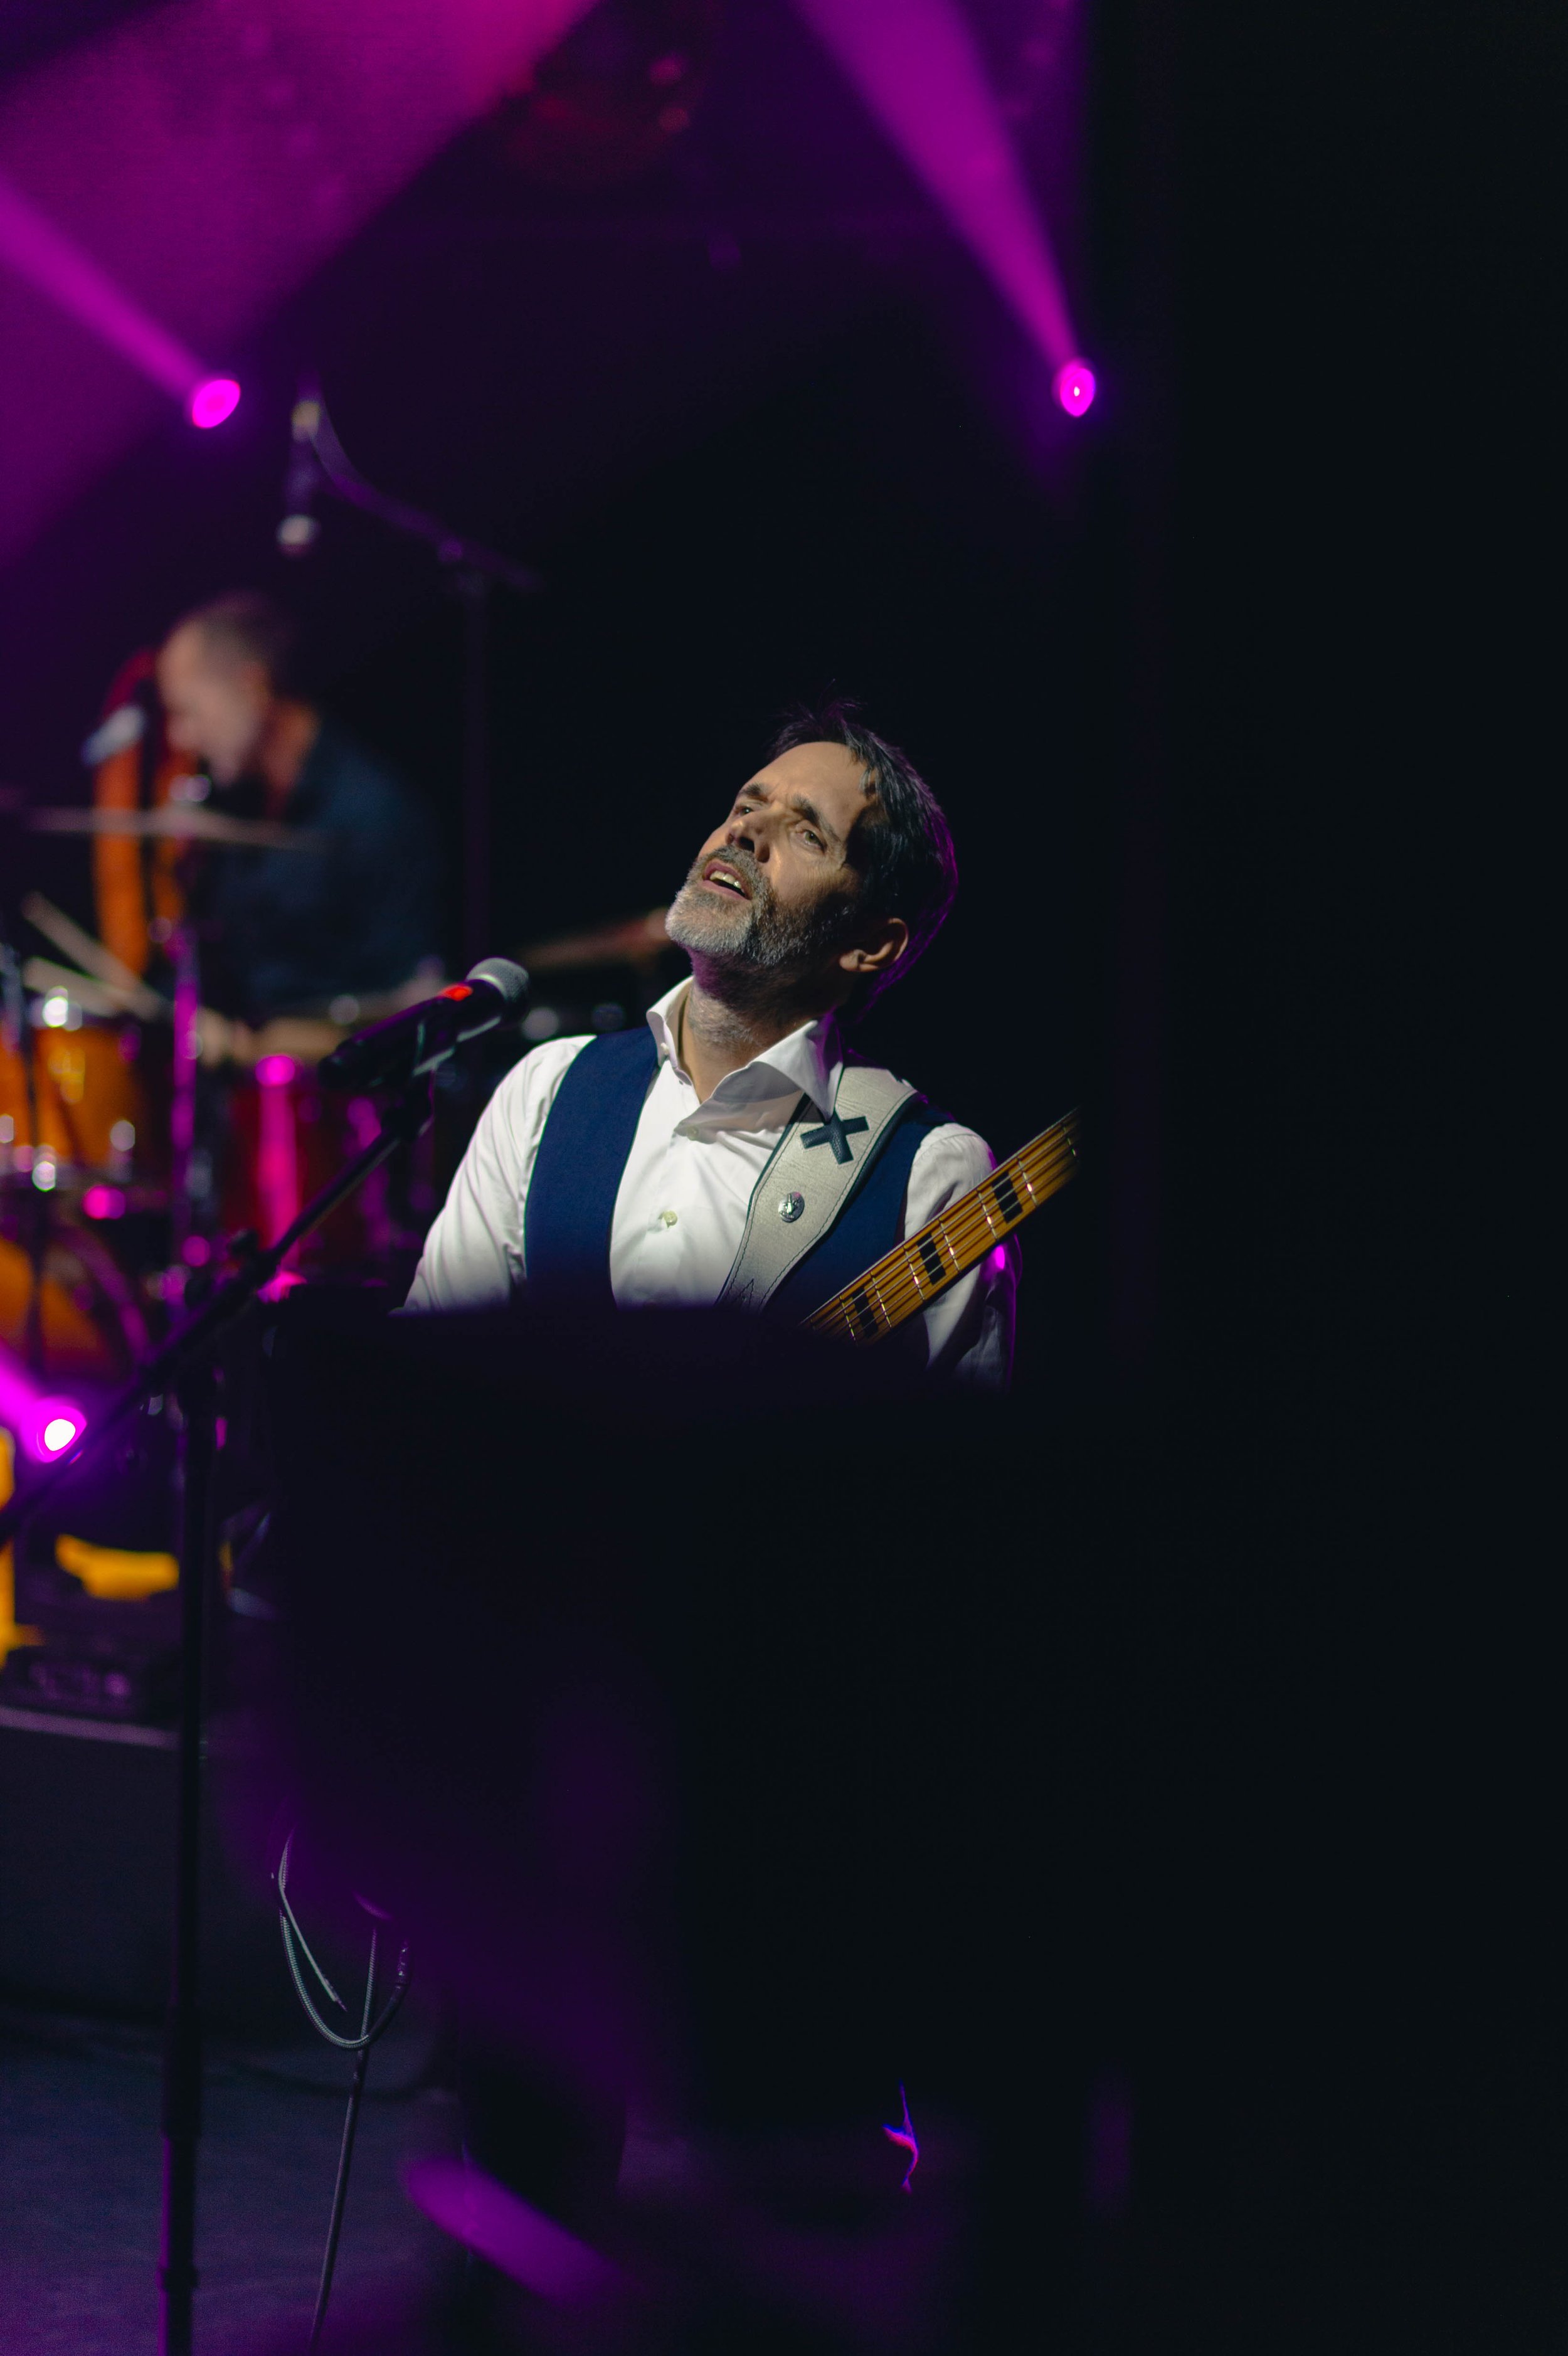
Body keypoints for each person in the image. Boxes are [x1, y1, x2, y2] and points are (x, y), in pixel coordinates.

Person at [407, 704, 1015, 1387]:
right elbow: (429, 1386)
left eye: (807, 834)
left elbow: (959, 1480)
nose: (747, 831)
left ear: (870, 944)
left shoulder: (935, 1176)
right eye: (747, 805)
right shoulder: (548, 1088)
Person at [154, 592, 442, 1067]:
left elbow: (415, 1006)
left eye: (189, 711)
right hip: (238, 1106)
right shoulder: (231, 811)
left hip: (333, 1109)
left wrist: (260, 1048)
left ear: (254, 688)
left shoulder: (374, 813)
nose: (181, 737)